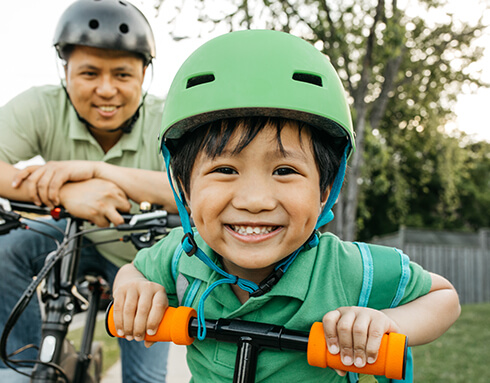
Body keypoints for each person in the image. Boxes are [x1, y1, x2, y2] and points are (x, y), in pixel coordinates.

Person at [110, 30, 461, 382]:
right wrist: (133, 289)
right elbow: (135, 272)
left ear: (326, 189)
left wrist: (388, 324)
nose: (254, 201)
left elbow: (443, 298)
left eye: (284, 170)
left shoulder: (345, 269)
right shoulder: (181, 256)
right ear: (183, 188)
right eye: (225, 170)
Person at [0, 0, 176, 382]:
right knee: (4, 252)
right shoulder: (41, 105)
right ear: (64, 70)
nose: (106, 90)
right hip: (69, 236)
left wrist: (99, 172)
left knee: (145, 378)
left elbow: (193, 190)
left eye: (123, 75)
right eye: (90, 72)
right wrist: (66, 195)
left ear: (145, 75)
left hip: (140, 257)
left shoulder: (167, 119)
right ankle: (22, 366)